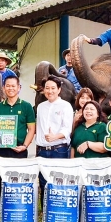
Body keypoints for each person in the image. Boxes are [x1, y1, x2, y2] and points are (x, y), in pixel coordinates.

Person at [36, 75, 73, 210]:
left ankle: (59, 213)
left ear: (59, 90)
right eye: (47, 88)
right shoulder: (40, 107)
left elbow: (67, 128)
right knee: (43, 183)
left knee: (58, 182)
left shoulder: (65, 106)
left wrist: (55, 137)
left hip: (59, 150)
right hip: (41, 151)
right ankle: (45, 214)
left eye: (53, 88)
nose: (50, 91)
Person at [0, 76, 35, 158]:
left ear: (19, 87)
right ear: (3, 88)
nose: (10, 88)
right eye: (8, 86)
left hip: (19, 149)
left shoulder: (26, 106)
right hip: (1, 149)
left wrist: (25, 146)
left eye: (13, 86)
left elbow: (31, 129)